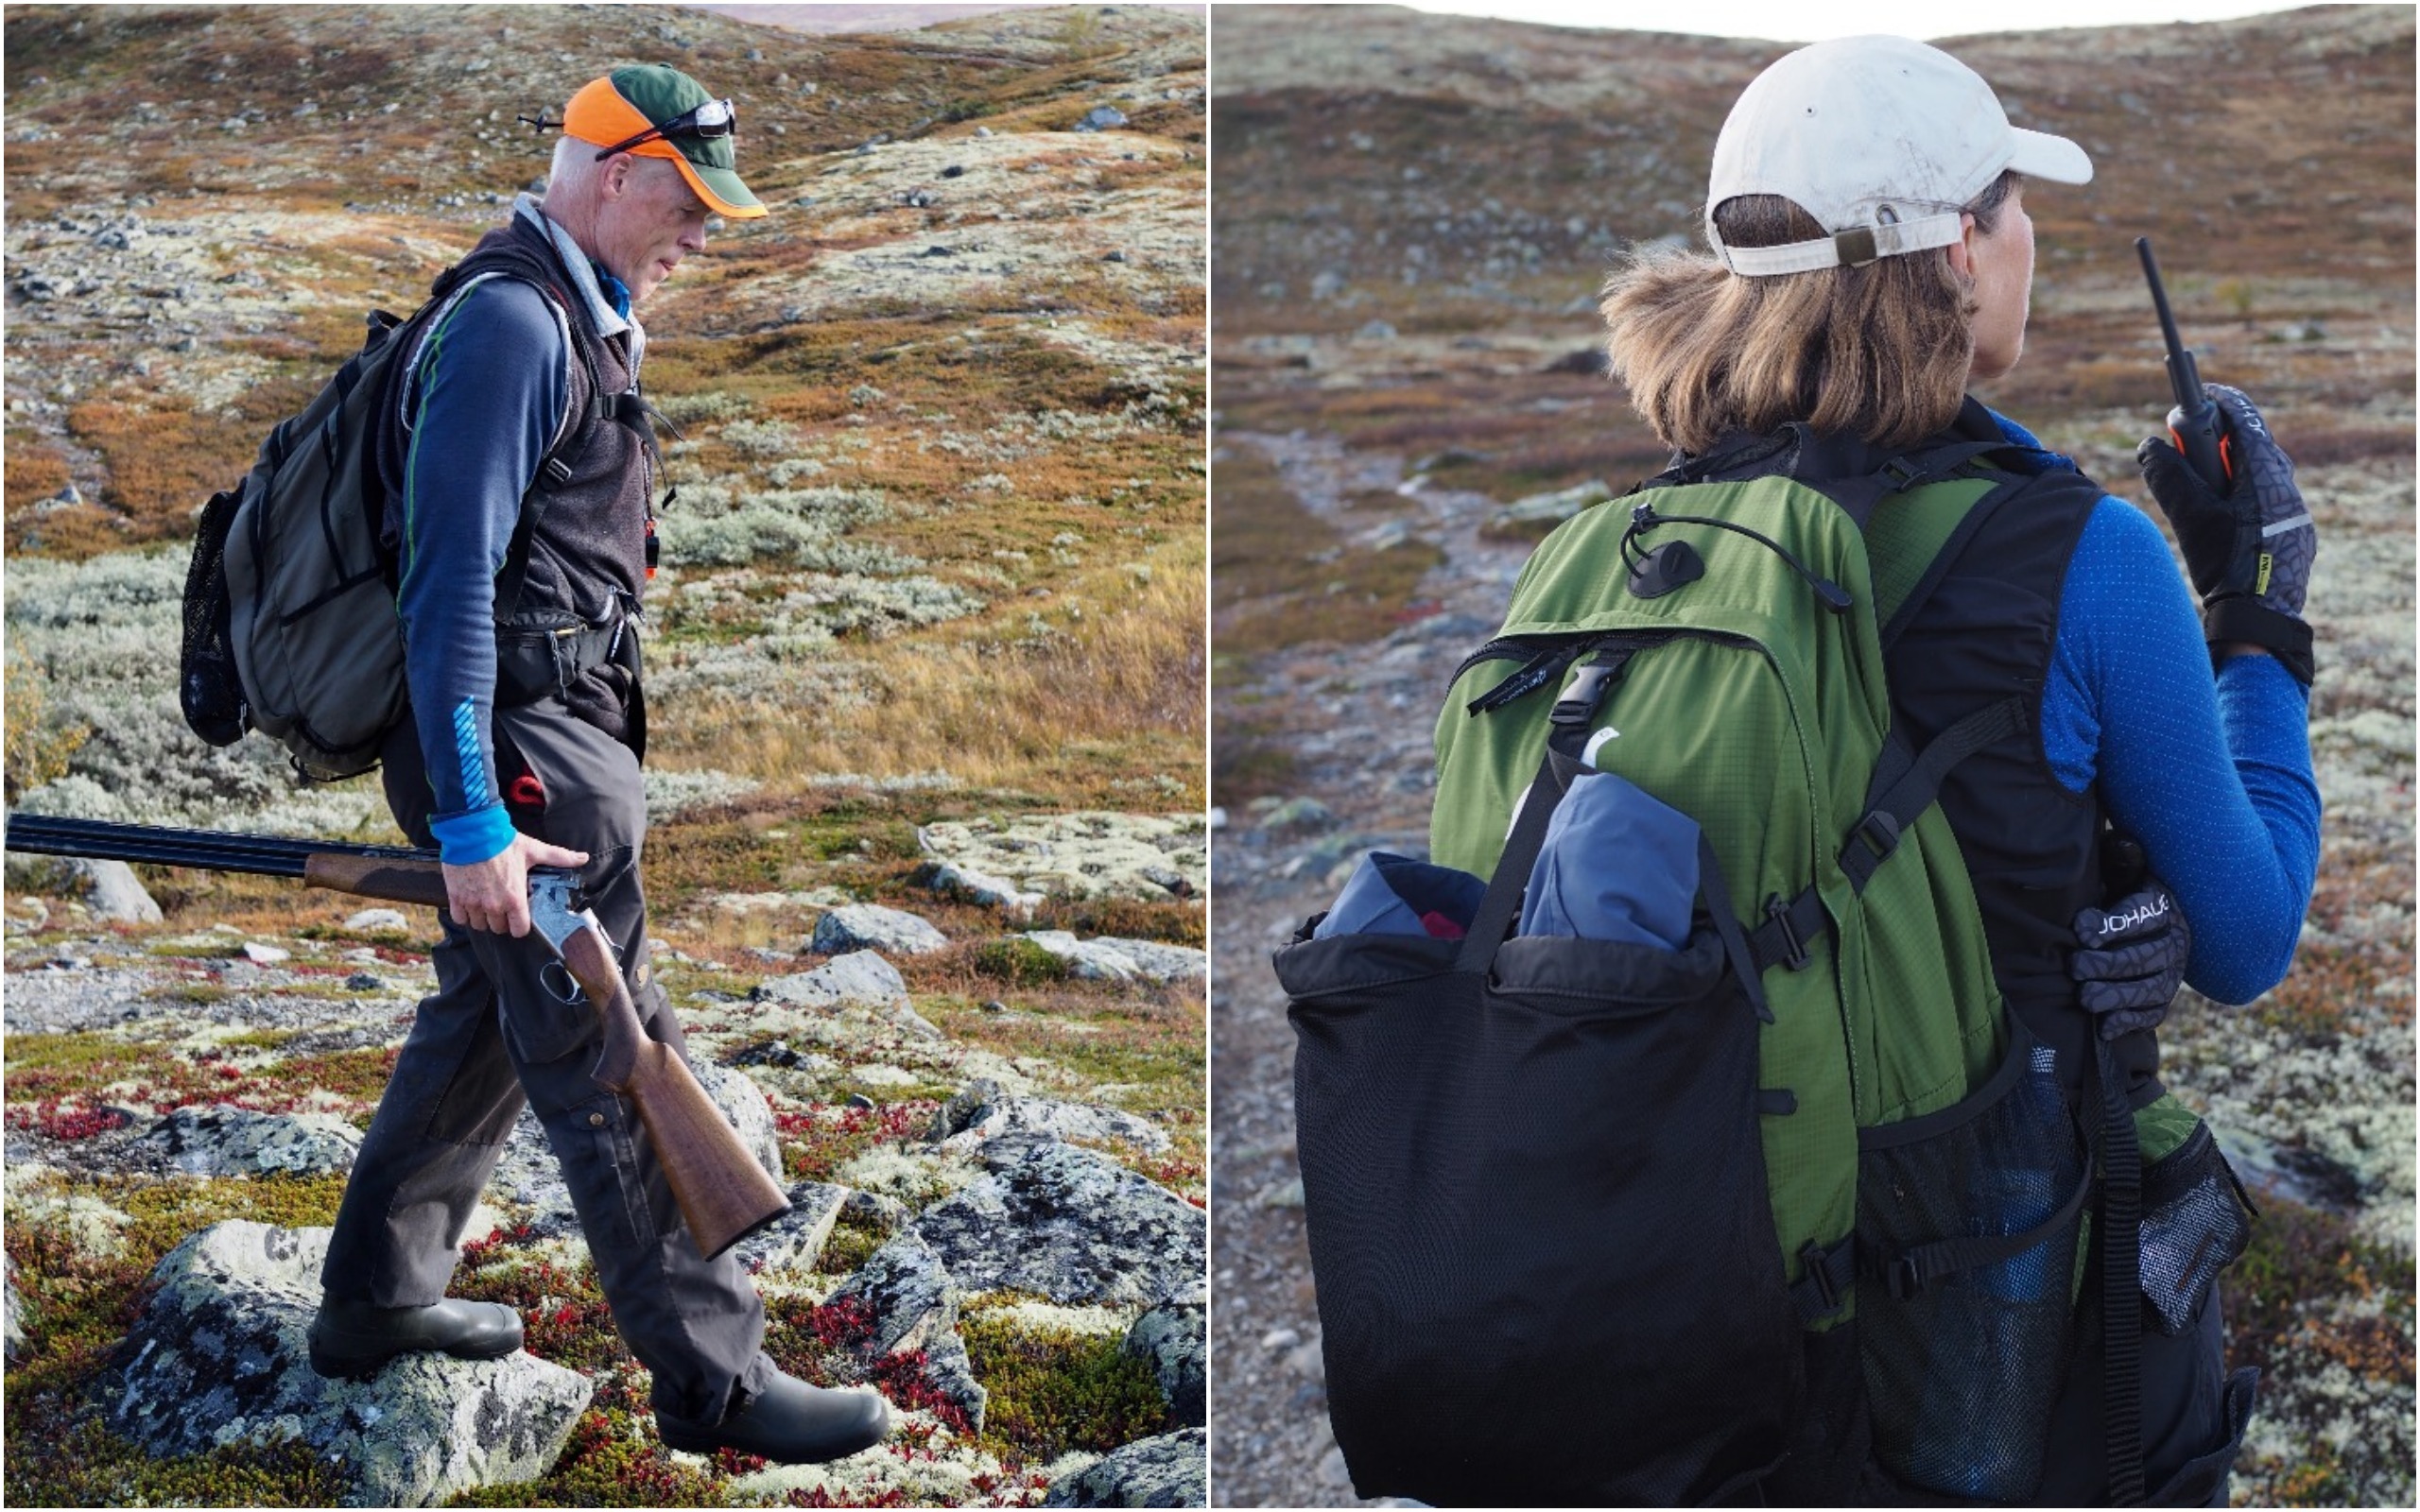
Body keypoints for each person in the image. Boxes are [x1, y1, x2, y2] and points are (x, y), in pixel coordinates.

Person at [1596, 34, 2319, 1506]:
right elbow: (2250, 937)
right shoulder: (2089, 560)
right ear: (1959, 255)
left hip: (1711, 1293)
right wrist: (2258, 623)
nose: (2028, 234)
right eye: (2008, 201)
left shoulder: (1644, 546)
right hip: (1989, 1325)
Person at [303, 64, 893, 1465]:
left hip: (542, 748)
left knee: (486, 1018)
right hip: (515, 763)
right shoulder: (516, 324)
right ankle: (719, 1386)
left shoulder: (568, 310)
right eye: (688, 202)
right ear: (616, 173)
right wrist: (467, 819)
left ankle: (374, 1302)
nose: (705, 231)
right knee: (609, 1051)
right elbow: (445, 591)